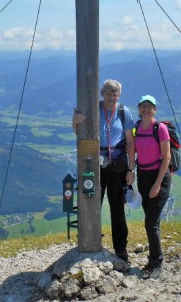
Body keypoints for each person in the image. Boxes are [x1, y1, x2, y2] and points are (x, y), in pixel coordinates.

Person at [72, 79, 136, 262]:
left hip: (117, 165)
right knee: (92, 204)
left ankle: (121, 248)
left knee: (117, 208)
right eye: (108, 93)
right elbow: (78, 132)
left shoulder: (124, 113)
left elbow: (130, 143)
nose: (111, 97)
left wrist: (131, 169)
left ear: (119, 95)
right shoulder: (94, 108)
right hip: (94, 163)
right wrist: (74, 121)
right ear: (101, 93)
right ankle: (90, 243)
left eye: (115, 94)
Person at [133, 94, 171, 279]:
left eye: (150, 106)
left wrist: (157, 185)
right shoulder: (136, 127)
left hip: (159, 177)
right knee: (151, 221)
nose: (146, 109)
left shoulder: (160, 128)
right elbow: (132, 150)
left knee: (150, 222)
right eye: (143, 106)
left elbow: (167, 158)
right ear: (139, 109)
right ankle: (152, 260)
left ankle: (157, 263)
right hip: (143, 176)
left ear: (155, 109)